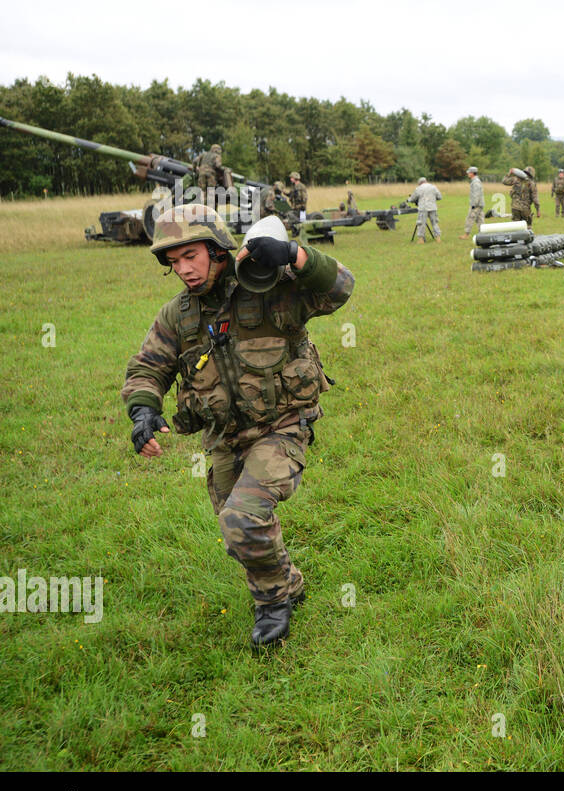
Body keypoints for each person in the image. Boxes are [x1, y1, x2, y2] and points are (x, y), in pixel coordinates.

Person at [121, 204, 354, 647]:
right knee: (241, 533)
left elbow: (342, 287)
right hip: (225, 438)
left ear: (217, 249)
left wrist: (293, 255)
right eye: (174, 262)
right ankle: (290, 582)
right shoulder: (178, 315)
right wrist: (143, 409)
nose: (184, 269)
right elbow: (148, 368)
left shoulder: (268, 284)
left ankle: (271, 604)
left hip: (283, 425)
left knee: (242, 519)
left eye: (191, 256)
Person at [409, 176, 443, 243]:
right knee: (434, 223)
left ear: (420, 183)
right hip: (433, 207)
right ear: (426, 181)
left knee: (421, 223)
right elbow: (439, 197)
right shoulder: (433, 187)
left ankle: (421, 239)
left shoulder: (418, 188)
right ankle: (438, 238)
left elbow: (412, 199)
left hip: (423, 208)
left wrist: (409, 199)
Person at [464, 167, 484, 239]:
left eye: (469, 173)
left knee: (470, 218)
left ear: (472, 173)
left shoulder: (475, 182)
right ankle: (482, 234)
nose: (468, 174)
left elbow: (476, 194)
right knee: (480, 220)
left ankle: (466, 234)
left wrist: (474, 205)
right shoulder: (475, 181)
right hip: (480, 204)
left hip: (476, 205)